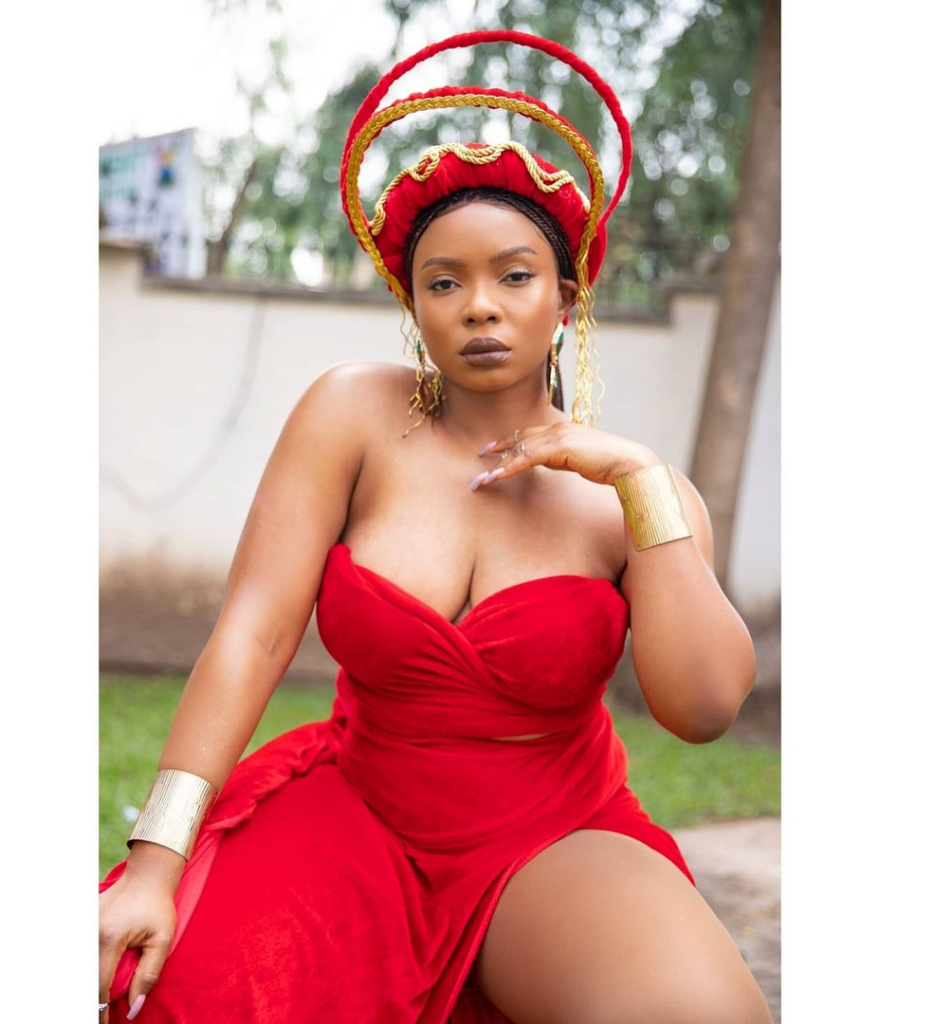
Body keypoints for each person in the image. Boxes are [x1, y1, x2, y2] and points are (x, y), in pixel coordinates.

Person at [99, 30, 773, 1024]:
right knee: (145, 989)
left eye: (514, 276)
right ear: (414, 306)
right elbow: (252, 634)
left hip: (549, 836)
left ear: (566, 297)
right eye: (444, 282)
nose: (479, 307)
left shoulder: (636, 495)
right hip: (359, 810)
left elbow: (704, 707)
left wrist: (638, 483)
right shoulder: (350, 413)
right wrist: (156, 862)